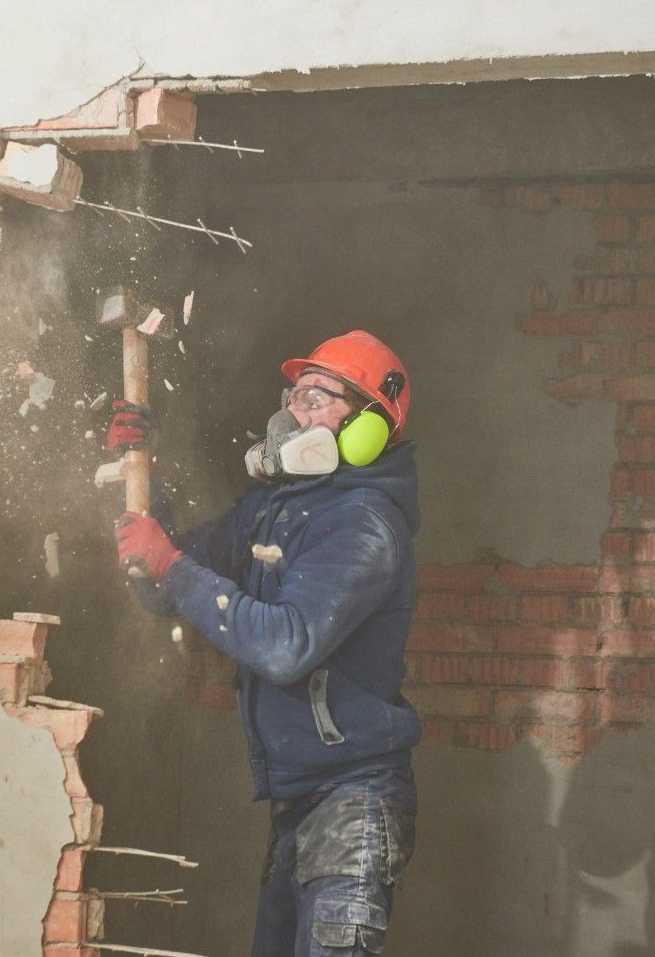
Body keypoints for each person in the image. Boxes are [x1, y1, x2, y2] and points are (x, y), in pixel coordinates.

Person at [109, 329, 422, 957]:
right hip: (301, 805)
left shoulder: (362, 526)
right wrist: (144, 477)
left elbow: (285, 647)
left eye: (315, 399)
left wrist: (169, 563)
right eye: (294, 395)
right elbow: (163, 585)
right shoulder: (274, 510)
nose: (290, 415)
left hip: (352, 807)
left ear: (366, 430)